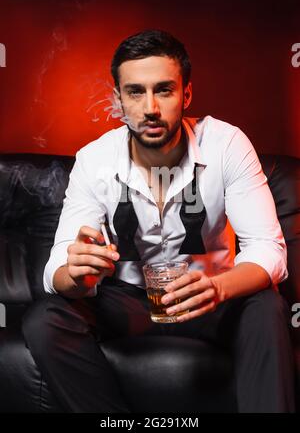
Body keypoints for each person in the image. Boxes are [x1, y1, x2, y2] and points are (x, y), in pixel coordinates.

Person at [22, 29, 295, 413]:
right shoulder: (94, 159)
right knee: (44, 319)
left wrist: (218, 288)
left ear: (185, 95)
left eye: (163, 90)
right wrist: (78, 272)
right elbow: (57, 270)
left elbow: (269, 250)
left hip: (210, 295)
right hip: (127, 301)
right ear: (118, 100)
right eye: (135, 92)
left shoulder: (227, 144)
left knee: (267, 307)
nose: (150, 107)